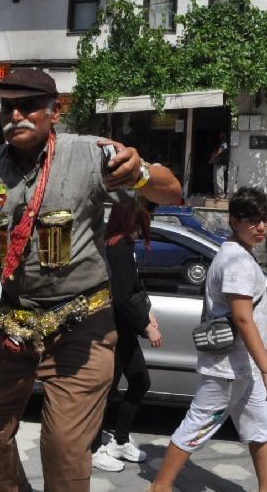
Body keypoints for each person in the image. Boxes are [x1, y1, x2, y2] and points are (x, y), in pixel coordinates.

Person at [0, 69, 182, 492]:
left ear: (54, 111)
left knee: (63, 447)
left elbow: (171, 190)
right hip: (14, 318)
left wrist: (138, 173)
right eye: (9, 107)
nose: (17, 115)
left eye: (28, 106)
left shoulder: (89, 155)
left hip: (82, 324)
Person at [147, 187, 267, 492]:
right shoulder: (238, 263)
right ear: (234, 221)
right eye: (253, 220)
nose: (261, 227)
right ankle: (160, 487)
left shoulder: (235, 254)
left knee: (261, 424)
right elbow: (243, 319)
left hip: (245, 368)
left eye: (266, 220)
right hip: (229, 368)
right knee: (199, 423)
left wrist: (261, 371)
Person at [92, 203, 163, 473]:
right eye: (147, 214)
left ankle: (119, 440)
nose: (150, 220)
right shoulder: (117, 247)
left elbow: (134, 288)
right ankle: (94, 447)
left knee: (140, 380)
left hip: (125, 330)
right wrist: (146, 326)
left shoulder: (125, 245)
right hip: (114, 330)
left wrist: (148, 312)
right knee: (104, 392)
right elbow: (120, 298)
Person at [209, 132, 229, 199]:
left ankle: (220, 195)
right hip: (217, 163)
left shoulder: (224, 143)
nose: (220, 136)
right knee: (215, 179)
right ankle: (216, 194)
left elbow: (219, 151)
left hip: (220, 164)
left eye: (221, 135)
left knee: (219, 179)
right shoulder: (220, 143)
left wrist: (212, 158)